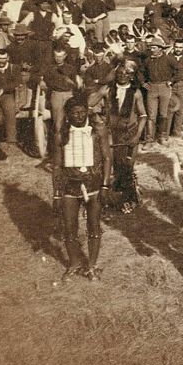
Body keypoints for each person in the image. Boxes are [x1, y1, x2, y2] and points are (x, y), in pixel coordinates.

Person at [52, 94, 112, 281]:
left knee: (93, 226)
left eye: (82, 112)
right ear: (68, 115)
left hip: (93, 184)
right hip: (70, 186)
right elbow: (57, 166)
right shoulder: (61, 134)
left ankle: (92, 265)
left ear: (88, 111)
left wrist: (105, 185)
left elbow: (107, 158)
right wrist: (56, 194)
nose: (78, 116)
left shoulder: (98, 131)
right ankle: (74, 263)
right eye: (74, 113)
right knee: (69, 228)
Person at [104, 62, 147, 214]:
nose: (122, 76)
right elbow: (90, 104)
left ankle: (129, 199)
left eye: (126, 74)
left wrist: (137, 136)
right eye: (119, 74)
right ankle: (116, 199)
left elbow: (143, 116)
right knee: (114, 166)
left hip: (130, 133)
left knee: (127, 166)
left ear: (131, 76)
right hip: (113, 134)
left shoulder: (136, 93)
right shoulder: (108, 90)